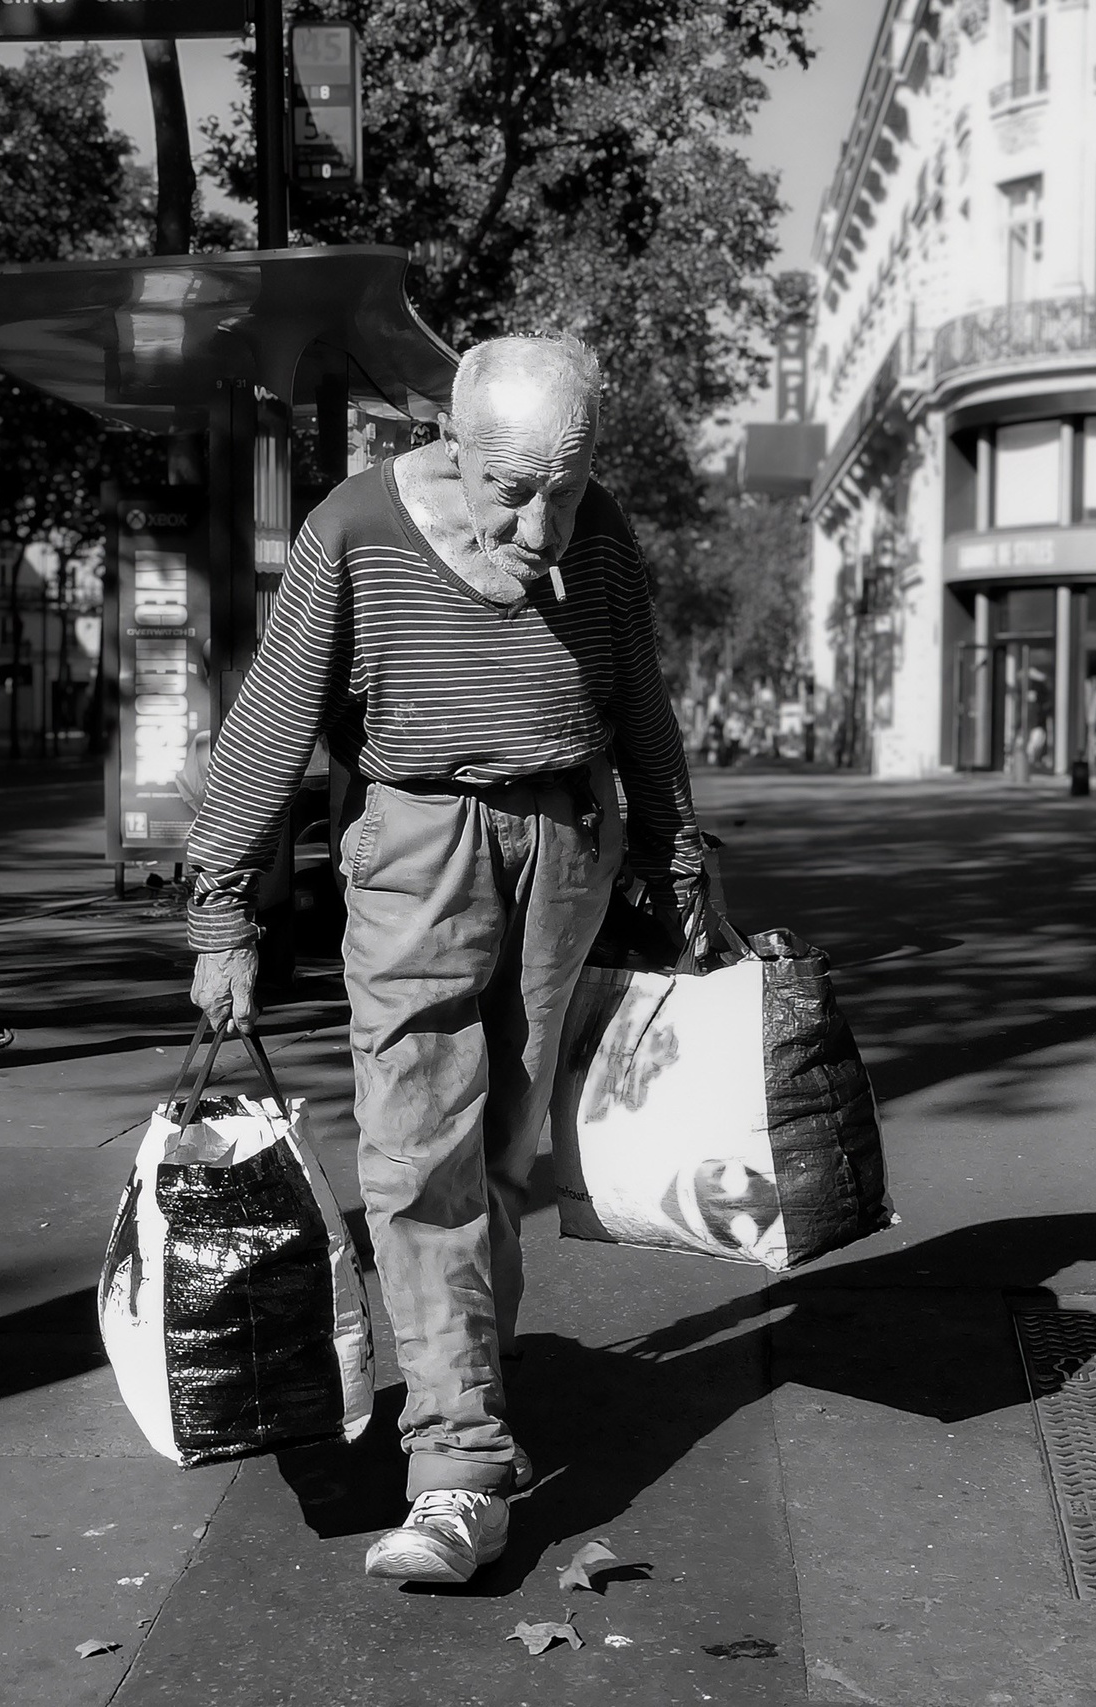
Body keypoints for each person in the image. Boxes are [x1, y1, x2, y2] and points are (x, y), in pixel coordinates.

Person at [181, 334, 705, 1585]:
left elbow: (639, 698)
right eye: (511, 491)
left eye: (565, 488)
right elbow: (274, 717)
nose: (539, 524)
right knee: (420, 1146)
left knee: (509, 1150)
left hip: (569, 841)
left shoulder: (599, 531)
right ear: (449, 445)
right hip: (417, 845)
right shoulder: (356, 527)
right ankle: (458, 1465)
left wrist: (676, 865)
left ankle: (469, 1386)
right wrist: (221, 914)